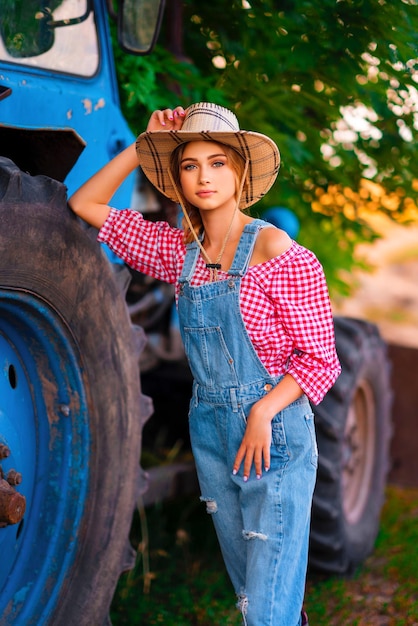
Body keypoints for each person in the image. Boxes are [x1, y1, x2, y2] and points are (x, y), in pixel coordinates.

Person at [69, 102, 341, 626]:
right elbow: (86, 203)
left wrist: (262, 413)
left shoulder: (273, 247)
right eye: (190, 165)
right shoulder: (180, 253)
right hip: (213, 431)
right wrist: (142, 144)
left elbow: (320, 359)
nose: (204, 176)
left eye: (218, 162)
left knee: (264, 610)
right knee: (254, 594)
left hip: (273, 431)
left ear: (239, 171)